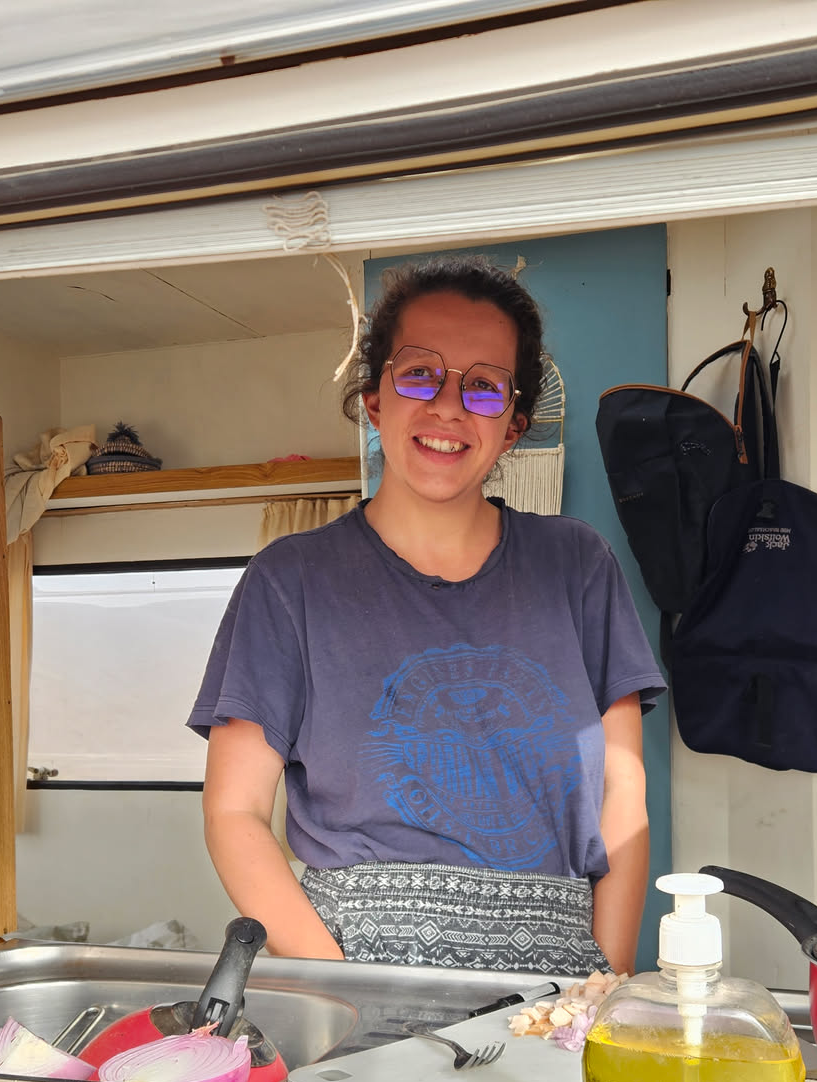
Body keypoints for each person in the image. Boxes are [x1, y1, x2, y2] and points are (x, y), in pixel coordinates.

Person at [188, 256, 665, 974]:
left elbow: (623, 792)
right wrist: (345, 989)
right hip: (352, 969)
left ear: (513, 426)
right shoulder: (289, 580)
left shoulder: (578, 565)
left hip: (558, 983)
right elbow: (235, 812)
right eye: (419, 373)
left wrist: (607, 980)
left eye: (484, 387)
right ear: (375, 400)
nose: (448, 406)